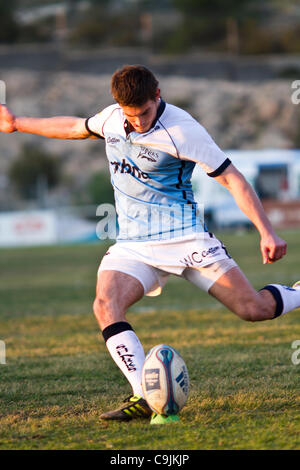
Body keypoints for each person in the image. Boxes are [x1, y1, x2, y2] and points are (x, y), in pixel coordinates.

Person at [1, 65, 299, 424]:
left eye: (144, 112)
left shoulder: (183, 131)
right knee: (105, 304)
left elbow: (232, 179)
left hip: (185, 237)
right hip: (134, 244)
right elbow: (74, 127)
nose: (139, 122)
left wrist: (267, 231)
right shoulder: (112, 118)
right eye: (131, 114)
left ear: (157, 95)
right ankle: (144, 393)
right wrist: (17, 122)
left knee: (254, 309)